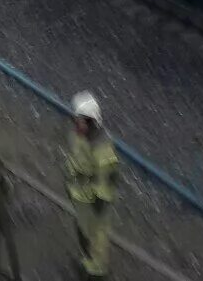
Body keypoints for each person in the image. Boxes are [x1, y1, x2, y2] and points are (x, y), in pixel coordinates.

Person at [65, 92, 119, 280]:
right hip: (81, 196)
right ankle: (87, 261)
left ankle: (96, 271)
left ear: (90, 121)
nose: (75, 123)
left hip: (93, 202)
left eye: (79, 120)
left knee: (97, 239)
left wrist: (99, 202)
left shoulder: (102, 148)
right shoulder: (81, 136)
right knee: (83, 232)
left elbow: (105, 183)